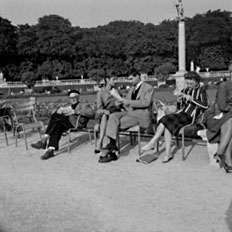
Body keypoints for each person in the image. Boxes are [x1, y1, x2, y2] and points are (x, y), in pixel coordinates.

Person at [142, 71, 208, 163]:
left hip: (191, 116)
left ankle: (152, 143)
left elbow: (205, 106)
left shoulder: (201, 91)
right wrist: (179, 100)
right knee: (166, 122)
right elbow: (180, 107)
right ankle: (167, 153)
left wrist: (191, 99)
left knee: (166, 122)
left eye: (191, 83)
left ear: (197, 81)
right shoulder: (185, 90)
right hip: (181, 113)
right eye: (187, 83)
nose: (189, 85)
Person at [98, 69, 154, 163]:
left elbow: (146, 102)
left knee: (112, 123)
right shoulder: (132, 88)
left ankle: (111, 148)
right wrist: (119, 102)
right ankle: (112, 146)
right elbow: (126, 102)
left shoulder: (148, 87)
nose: (130, 81)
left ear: (138, 76)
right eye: (129, 79)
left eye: (131, 78)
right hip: (129, 112)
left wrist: (128, 102)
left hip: (140, 114)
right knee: (113, 116)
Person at [31, 90, 95, 160]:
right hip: (69, 123)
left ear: (78, 97)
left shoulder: (84, 105)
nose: (73, 99)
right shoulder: (70, 107)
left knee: (56, 117)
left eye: (74, 97)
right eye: (71, 98)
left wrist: (77, 111)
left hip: (77, 124)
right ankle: (50, 150)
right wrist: (60, 110)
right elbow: (66, 110)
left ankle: (44, 139)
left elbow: (92, 113)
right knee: (57, 126)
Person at [206, 79, 232, 173]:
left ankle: (225, 160)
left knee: (230, 123)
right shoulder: (224, 85)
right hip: (216, 116)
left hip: (228, 116)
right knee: (230, 121)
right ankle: (223, 156)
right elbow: (222, 106)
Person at [95, 73, 122, 153]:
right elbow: (99, 108)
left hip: (116, 111)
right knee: (104, 115)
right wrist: (104, 111)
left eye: (116, 79)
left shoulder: (116, 91)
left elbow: (122, 103)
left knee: (106, 116)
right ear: (107, 79)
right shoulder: (101, 93)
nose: (116, 82)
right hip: (106, 112)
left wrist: (118, 105)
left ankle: (100, 143)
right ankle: (103, 142)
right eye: (113, 79)